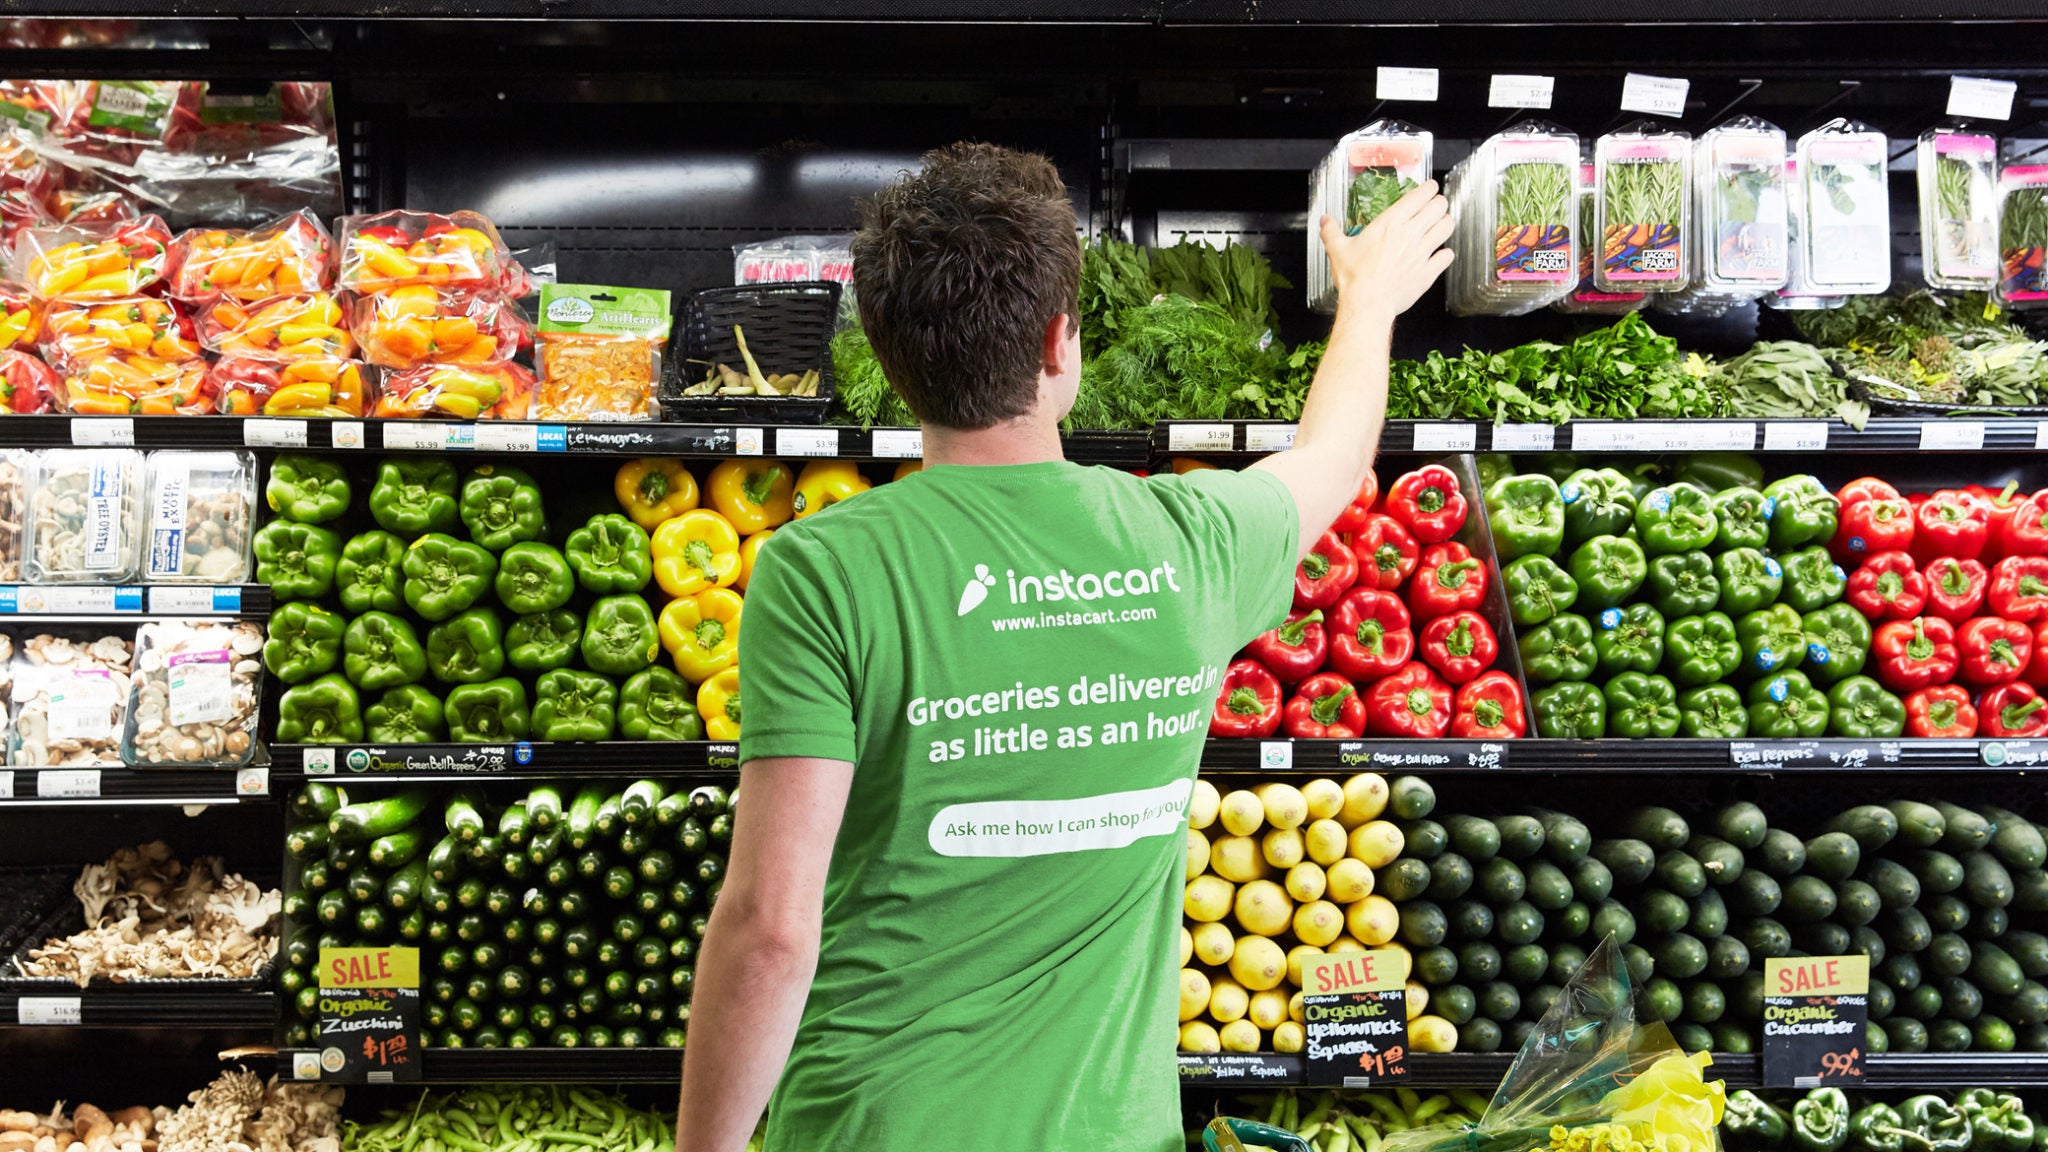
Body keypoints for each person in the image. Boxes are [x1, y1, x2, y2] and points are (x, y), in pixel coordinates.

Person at [677, 140, 1452, 1152]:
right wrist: (1365, 301)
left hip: (874, 1122)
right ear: (1058, 342)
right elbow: (1334, 457)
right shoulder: (1188, 539)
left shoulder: (819, 569)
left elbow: (771, 929)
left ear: (884, 348)